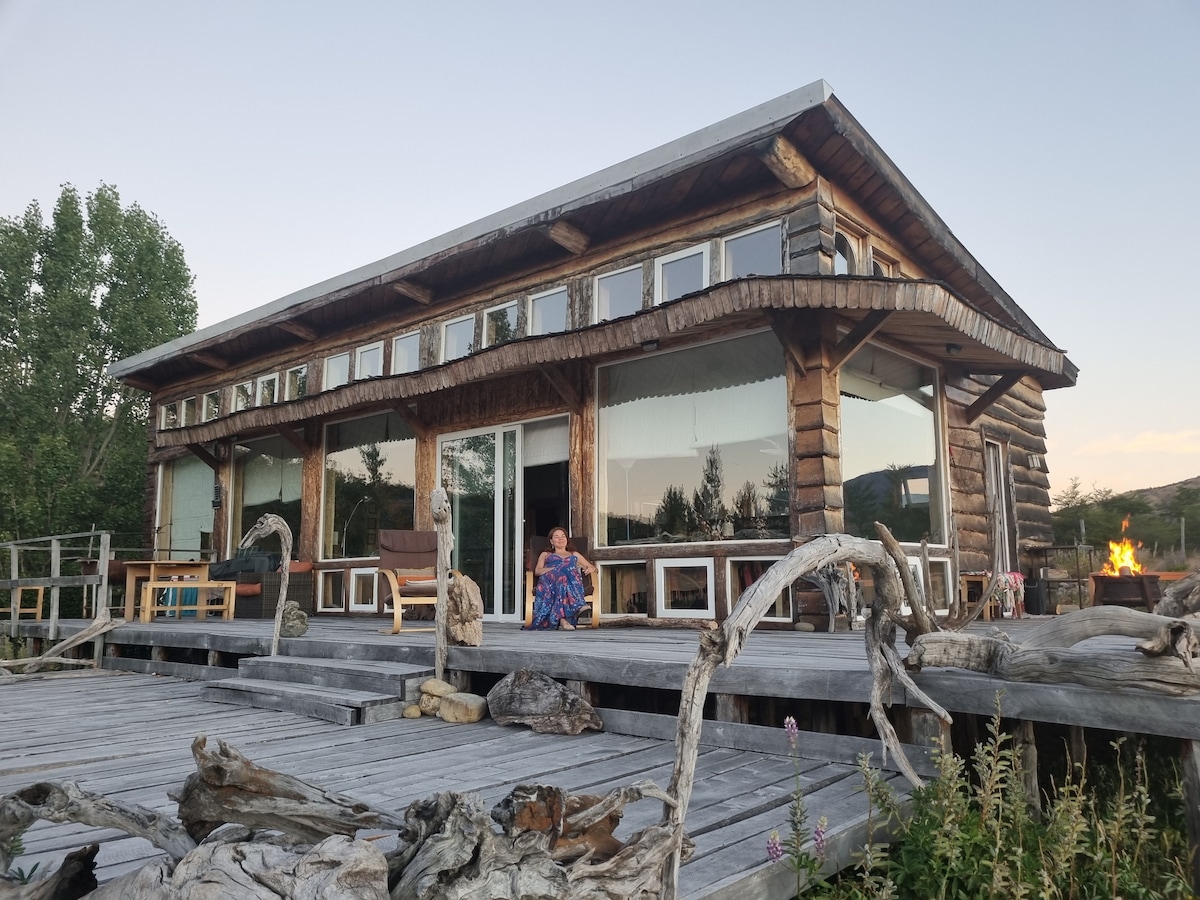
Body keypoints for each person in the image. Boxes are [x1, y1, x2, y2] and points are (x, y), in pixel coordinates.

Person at [526, 527, 594, 630]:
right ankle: (578, 605)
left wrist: (591, 569)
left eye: (563, 536)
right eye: (557, 537)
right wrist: (556, 569)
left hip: (568, 583)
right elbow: (538, 571)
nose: (560, 539)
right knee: (562, 576)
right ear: (551, 541)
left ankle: (562, 620)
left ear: (567, 539)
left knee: (567, 576)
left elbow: (592, 568)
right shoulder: (546, 554)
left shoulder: (574, 554)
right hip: (548, 581)